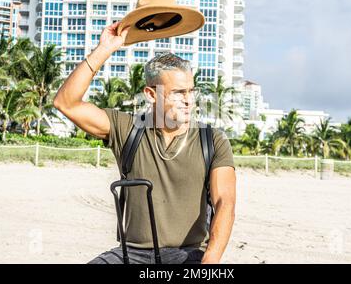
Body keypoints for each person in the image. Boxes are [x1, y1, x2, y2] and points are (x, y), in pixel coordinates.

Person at [53, 21, 236, 264]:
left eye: (192, 91)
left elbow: (225, 202)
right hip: (131, 253)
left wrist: (210, 260)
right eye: (179, 93)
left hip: (188, 254)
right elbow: (66, 103)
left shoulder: (212, 139)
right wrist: (105, 49)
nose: (189, 100)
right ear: (152, 94)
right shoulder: (128, 129)